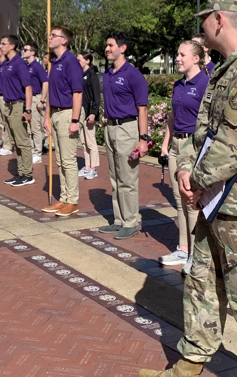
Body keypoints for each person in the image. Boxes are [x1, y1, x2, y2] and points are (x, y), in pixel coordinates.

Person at [140, 0, 237, 377]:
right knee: (201, 287)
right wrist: (185, 168)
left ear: (220, 20)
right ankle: (187, 367)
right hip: (217, 204)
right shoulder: (227, 68)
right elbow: (203, 131)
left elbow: (232, 146)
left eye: (205, 18)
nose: (201, 26)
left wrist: (194, 180)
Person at [158, 40, 209, 275]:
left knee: (191, 202)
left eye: (182, 54)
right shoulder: (178, 85)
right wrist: (166, 144)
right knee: (179, 201)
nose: (177, 58)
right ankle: (183, 248)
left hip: (193, 146)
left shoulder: (205, 84)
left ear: (196, 58)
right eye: (177, 54)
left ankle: (196, 255)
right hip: (176, 146)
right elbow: (172, 115)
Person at [98, 32, 149, 240]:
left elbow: (142, 109)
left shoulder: (133, 74)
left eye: (111, 45)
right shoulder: (108, 74)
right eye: (106, 45)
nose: (107, 49)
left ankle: (130, 222)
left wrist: (143, 139)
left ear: (123, 48)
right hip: (110, 128)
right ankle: (119, 220)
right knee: (115, 177)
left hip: (128, 129)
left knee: (127, 178)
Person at [41, 26, 84, 217]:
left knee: (68, 160)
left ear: (64, 40)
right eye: (50, 35)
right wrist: (46, 116)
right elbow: (51, 92)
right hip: (56, 113)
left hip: (68, 113)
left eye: (53, 35)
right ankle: (64, 197)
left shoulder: (70, 61)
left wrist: (75, 119)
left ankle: (72, 201)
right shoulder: (54, 62)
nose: (49, 38)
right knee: (59, 160)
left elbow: (77, 92)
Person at [0, 35, 35, 187]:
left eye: (3, 44)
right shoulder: (7, 63)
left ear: (12, 46)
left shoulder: (19, 63)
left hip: (18, 105)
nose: (1, 46)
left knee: (22, 141)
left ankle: (27, 174)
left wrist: (27, 109)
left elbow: (28, 87)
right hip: (8, 105)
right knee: (15, 141)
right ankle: (20, 173)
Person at [22, 43, 49, 164]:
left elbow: (45, 83)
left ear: (33, 52)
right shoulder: (26, 66)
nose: (23, 51)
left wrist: (42, 100)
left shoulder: (37, 66)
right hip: (26, 99)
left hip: (35, 98)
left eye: (25, 50)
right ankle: (32, 150)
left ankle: (37, 153)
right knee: (27, 128)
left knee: (35, 128)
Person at [77, 52, 101, 180]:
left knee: (91, 142)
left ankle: (94, 168)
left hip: (89, 113)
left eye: (79, 59)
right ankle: (87, 166)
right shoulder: (81, 75)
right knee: (84, 142)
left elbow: (96, 97)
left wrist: (93, 113)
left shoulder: (92, 75)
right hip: (81, 113)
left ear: (87, 61)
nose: (78, 61)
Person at [0, 43, 14, 156]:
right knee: (1, 123)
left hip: (5, 97)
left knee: (6, 122)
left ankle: (8, 146)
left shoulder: (7, 64)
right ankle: (5, 144)